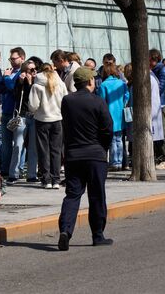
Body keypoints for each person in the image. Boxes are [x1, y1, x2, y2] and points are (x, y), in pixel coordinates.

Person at [57, 67, 114, 251]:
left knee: (73, 195)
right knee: (97, 195)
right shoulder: (98, 101)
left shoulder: (67, 101)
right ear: (90, 81)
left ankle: (65, 231)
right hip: (95, 154)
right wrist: (102, 147)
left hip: (74, 154)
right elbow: (107, 128)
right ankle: (98, 235)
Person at [28, 63, 67, 189]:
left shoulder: (36, 85)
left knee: (43, 150)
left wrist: (33, 111)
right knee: (56, 150)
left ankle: (46, 179)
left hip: (42, 119)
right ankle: (56, 179)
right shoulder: (60, 83)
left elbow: (33, 105)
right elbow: (65, 100)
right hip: (57, 119)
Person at [0, 47, 25, 179]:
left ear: (22, 58)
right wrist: (6, 78)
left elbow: (13, 88)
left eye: (14, 59)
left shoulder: (22, 73)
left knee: (19, 143)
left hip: (17, 112)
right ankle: (5, 168)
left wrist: (7, 78)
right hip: (6, 111)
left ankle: (18, 169)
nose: (12, 61)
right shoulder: (10, 72)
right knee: (6, 143)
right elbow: (0, 87)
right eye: (11, 59)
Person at [97, 63, 129, 171]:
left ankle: (114, 162)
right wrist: (122, 104)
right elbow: (126, 96)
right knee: (119, 139)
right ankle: (119, 162)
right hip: (120, 114)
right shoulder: (122, 83)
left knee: (111, 141)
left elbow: (101, 101)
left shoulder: (103, 85)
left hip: (108, 115)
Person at [149, 49, 165, 170]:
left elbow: (160, 88)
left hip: (160, 106)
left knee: (162, 132)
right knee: (155, 133)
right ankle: (158, 157)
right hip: (152, 105)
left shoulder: (162, 69)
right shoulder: (152, 69)